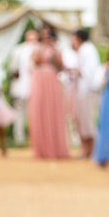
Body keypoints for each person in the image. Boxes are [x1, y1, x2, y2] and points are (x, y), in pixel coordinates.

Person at [27, 26, 69, 159]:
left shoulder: (57, 49)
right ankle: (41, 148)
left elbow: (60, 66)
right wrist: (41, 48)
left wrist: (54, 50)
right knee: (39, 110)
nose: (46, 37)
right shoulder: (37, 48)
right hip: (39, 80)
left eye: (48, 35)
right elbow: (36, 61)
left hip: (52, 79)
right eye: (44, 35)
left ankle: (55, 147)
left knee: (53, 111)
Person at [68, 28, 101, 159]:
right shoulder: (82, 50)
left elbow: (90, 71)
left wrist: (75, 70)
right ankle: (86, 148)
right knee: (81, 119)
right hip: (81, 90)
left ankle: (91, 148)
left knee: (88, 119)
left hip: (87, 90)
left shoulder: (88, 49)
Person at [7, 28, 39, 144]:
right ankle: (19, 137)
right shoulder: (18, 50)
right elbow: (12, 69)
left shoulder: (39, 50)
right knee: (19, 113)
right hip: (20, 87)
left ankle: (35, 138)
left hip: (35, 88)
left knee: (35, 114)